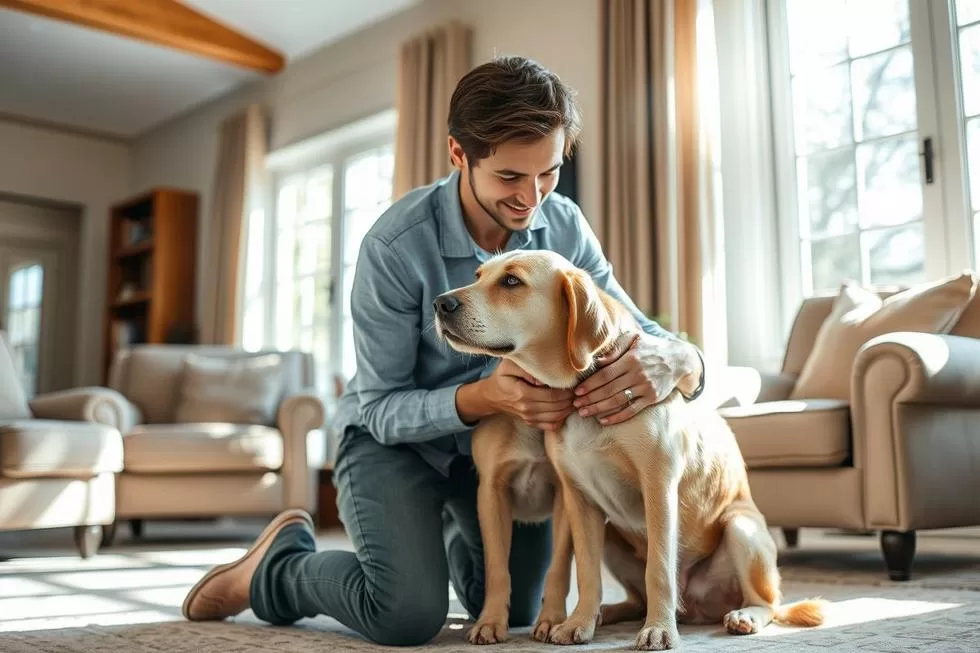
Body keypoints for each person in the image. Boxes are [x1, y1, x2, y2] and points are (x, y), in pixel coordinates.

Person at [181, 55, 706, 647]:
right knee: (404, 614)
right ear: (460, 154)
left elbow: (632, 326)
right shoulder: (394, 246)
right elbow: (380, 407)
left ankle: (446, 538)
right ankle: (276, 569)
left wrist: (686, 361)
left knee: (516, 610)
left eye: (549, 173)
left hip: (506, 449)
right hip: (394, 445)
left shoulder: (563, 225)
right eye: (510, 176)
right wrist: (486, 396)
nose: (531, 197)